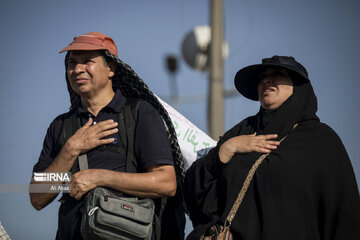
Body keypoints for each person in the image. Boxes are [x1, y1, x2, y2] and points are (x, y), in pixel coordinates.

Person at [29, 32, 185, 240]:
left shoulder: (138, 113)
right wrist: (71, 149)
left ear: (110, 68)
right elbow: (38, 197)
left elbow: (166, 183)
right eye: (72, 63)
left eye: (87, 62)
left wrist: (99, 177)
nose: (77, 69)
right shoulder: (61, 126)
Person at [184, 55, 360, 239]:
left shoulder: (321, 140)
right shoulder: (241, 131)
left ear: (297, 86)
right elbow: (195, 193)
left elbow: (344, 217)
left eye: (278, 74)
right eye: (262, 78)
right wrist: (225, 150)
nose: (266, 80)